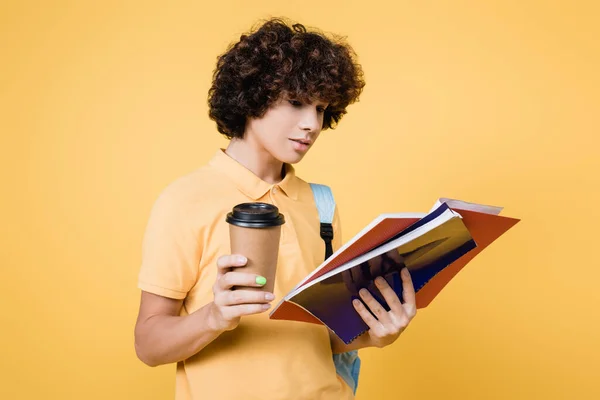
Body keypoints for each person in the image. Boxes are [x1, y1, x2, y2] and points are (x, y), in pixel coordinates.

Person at [134, 17, 417, 400]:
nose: (311, 125)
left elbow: (318, 338)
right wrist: (215, 317)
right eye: (297, 103)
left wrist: (376, 334)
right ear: (252, 97)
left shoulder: (321, 203)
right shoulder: (186, 199)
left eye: (320, 109)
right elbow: (148, 344)